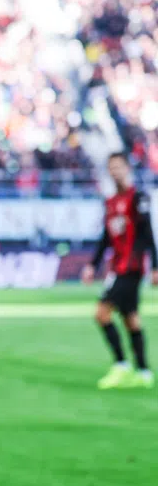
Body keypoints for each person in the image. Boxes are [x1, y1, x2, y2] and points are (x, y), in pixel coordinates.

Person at [81, 152, 156, 389]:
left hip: (130, 268)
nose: (115, 171)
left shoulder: (138, 198)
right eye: (111, 167)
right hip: (118, 267)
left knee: (102, 313)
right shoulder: (111, 202)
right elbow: (106, 238)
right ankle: (143, 372)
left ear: (127, 169)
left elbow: (147, 233)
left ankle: (121, 365)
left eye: (119, 167)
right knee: (130, 319)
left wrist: (155, 266)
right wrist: (93, 264)